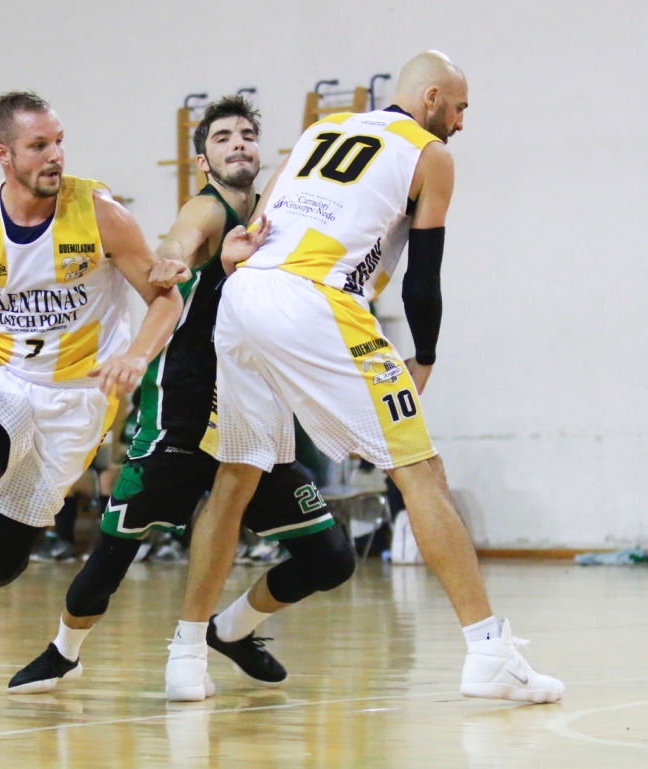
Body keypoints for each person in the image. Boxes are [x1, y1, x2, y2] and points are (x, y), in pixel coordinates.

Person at [165, 52, 565, 704]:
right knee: (420, 469)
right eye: (459, 107)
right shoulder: (431, 154)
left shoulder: (320, 131)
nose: (461, 122)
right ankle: (489, 653)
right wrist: (423, 357)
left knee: (235, 477)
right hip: (316, 301)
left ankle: (188, 655)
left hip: (244, 298)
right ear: (432, 98)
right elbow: (423, 278)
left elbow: (257, 226)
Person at [7, 96, 355, 696]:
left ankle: (232, 629)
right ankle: (64, 651)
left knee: (330, 559)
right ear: (203, 161)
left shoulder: (278, 215)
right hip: (185, 407)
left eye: (247, 134)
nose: (238, 143)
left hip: (255, 409)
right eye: (223, 137)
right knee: (115, 553)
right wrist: (170, 262)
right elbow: (179, 240)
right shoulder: (207, 207)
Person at [0, 91, 186, 722]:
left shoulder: (101, 215)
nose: (55, 156)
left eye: (59, 142)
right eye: (39, 145)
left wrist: (137, 356)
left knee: (8, 558)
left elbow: (165, 299)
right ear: (4, 154)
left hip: (77, 394)